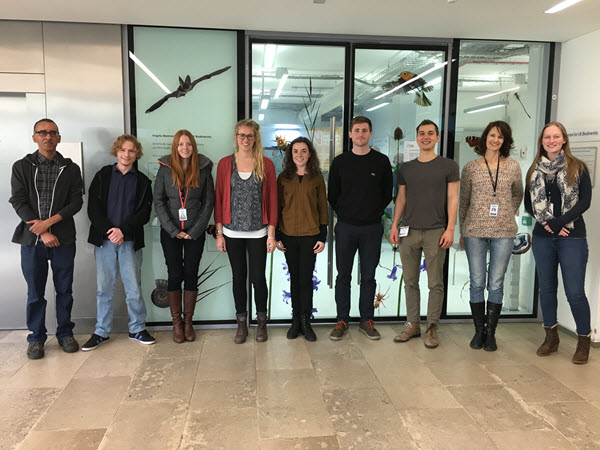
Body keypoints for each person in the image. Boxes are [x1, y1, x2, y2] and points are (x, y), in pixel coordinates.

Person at [9, 118, 83, 359]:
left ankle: (65, 334)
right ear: (34, 137)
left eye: (53, 133)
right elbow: (18, 201)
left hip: (63, 239)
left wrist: (48, 225)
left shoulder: (70, 168)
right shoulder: (21, 166)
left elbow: (76, 202)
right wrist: (41, 230)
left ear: (59, 138)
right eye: (42, 132)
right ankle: (37, 338)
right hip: (32, 241)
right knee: (35, 292)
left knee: (65, 290)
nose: (48, 136)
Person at [525, 122, 592, 364]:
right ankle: (551, 337)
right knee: (547, 289)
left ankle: (583, 341)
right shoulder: (534, 169)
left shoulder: (578, 167)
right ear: (542, 141)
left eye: (555, 136)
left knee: (575, 292)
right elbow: (528, 205)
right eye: (546, 137)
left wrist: (559, 222)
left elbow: (585, 202)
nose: (551, 141)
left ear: (563, 139)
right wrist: (547, 224)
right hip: (544, 238)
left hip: (572, 238)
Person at [390, 120, 459, 348]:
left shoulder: (448, 166)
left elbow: (453, 198)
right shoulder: (406, 168)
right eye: (422, 133)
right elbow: (401, 199)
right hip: (408, 232)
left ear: (437, 138)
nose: (426, 137)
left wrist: (450, 228)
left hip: (436, 231)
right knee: (410, 281)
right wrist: (394, 225)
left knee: (435, 283)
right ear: (417, 138)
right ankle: (412, 325)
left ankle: (431, 327)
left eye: (430, 133)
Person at [83, 134, 155, 351]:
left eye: (131, 150)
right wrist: (111, 231)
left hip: (130, 241)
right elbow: (92, 208)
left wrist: (122, 230)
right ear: (116, 151)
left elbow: (144, 213)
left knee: (134, 289)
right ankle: (101, 331)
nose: (126, 154)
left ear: (137, 154)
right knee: (104, 288)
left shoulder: (143, 181)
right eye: (123, 150)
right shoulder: (103, 175)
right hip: (104, 241)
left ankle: (137, 329)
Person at [459, 121, 523, 352]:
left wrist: (505, 210)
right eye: (492, 135)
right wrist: (462, 230)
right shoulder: (470, 167)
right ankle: (479, 331)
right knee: (477, 281)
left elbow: (518, 194)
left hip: (504, 231)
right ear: (485, 136)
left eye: (500, 137)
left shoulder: (513, 166)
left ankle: (491, 333)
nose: (495, 140)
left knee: (496, 283)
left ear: (505, 141)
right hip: (475, 230)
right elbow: (464, 201)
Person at [328, 116, 393, 341]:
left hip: (371, 229)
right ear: (350, 134)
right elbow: (332, 195)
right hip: (345, 227)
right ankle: (342, 320)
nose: (360, 134)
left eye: (364, 130)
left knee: (369, 276)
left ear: (370, 134)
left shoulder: (382, 162)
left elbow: (387, 194)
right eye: (356, 130)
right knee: (343, 275)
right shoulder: (340, 162)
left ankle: (366, 320)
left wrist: (372, 213)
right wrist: (346, 213)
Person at [214, 119, 277, 344]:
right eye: (242, 135)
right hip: (232, 233)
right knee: (238, 278)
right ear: (236, 137)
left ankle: (261, 322)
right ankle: (241, 323)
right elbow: (219, 199)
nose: (245, 139)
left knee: (258, 278)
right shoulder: (224, 164)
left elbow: (272, 200)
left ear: (256, 138)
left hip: (258, 232)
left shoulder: (266, 164)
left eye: (250, 136)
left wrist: (271, 234)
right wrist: (219, 233)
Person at [155, 130, 215, 343]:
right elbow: (159, 201)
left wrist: (195, 231)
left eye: (188, 144)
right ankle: (176, 323)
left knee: (191, 273)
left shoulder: (204, 168)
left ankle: (188, 322)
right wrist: (172, 229)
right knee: (174, 274)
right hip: (170, 232)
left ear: (193, 146)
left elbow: (209, 202)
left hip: (195, 233)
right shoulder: (165, 168)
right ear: (175, 146)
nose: (185, 148)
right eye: (181, 144)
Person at [276, 137, 328, 341]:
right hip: (288, 235)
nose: (299, 155)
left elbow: (323, 207)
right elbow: (278, 206)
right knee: (294, 279)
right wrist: (278, 235)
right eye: (295, 151)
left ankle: (306, 322)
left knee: (306, 280)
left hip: (310, 236)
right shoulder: (283, 178)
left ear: (309, 154)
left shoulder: (316, 178)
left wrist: (322, 236)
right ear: (290, 155)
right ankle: (295, 320)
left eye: (303, 151)